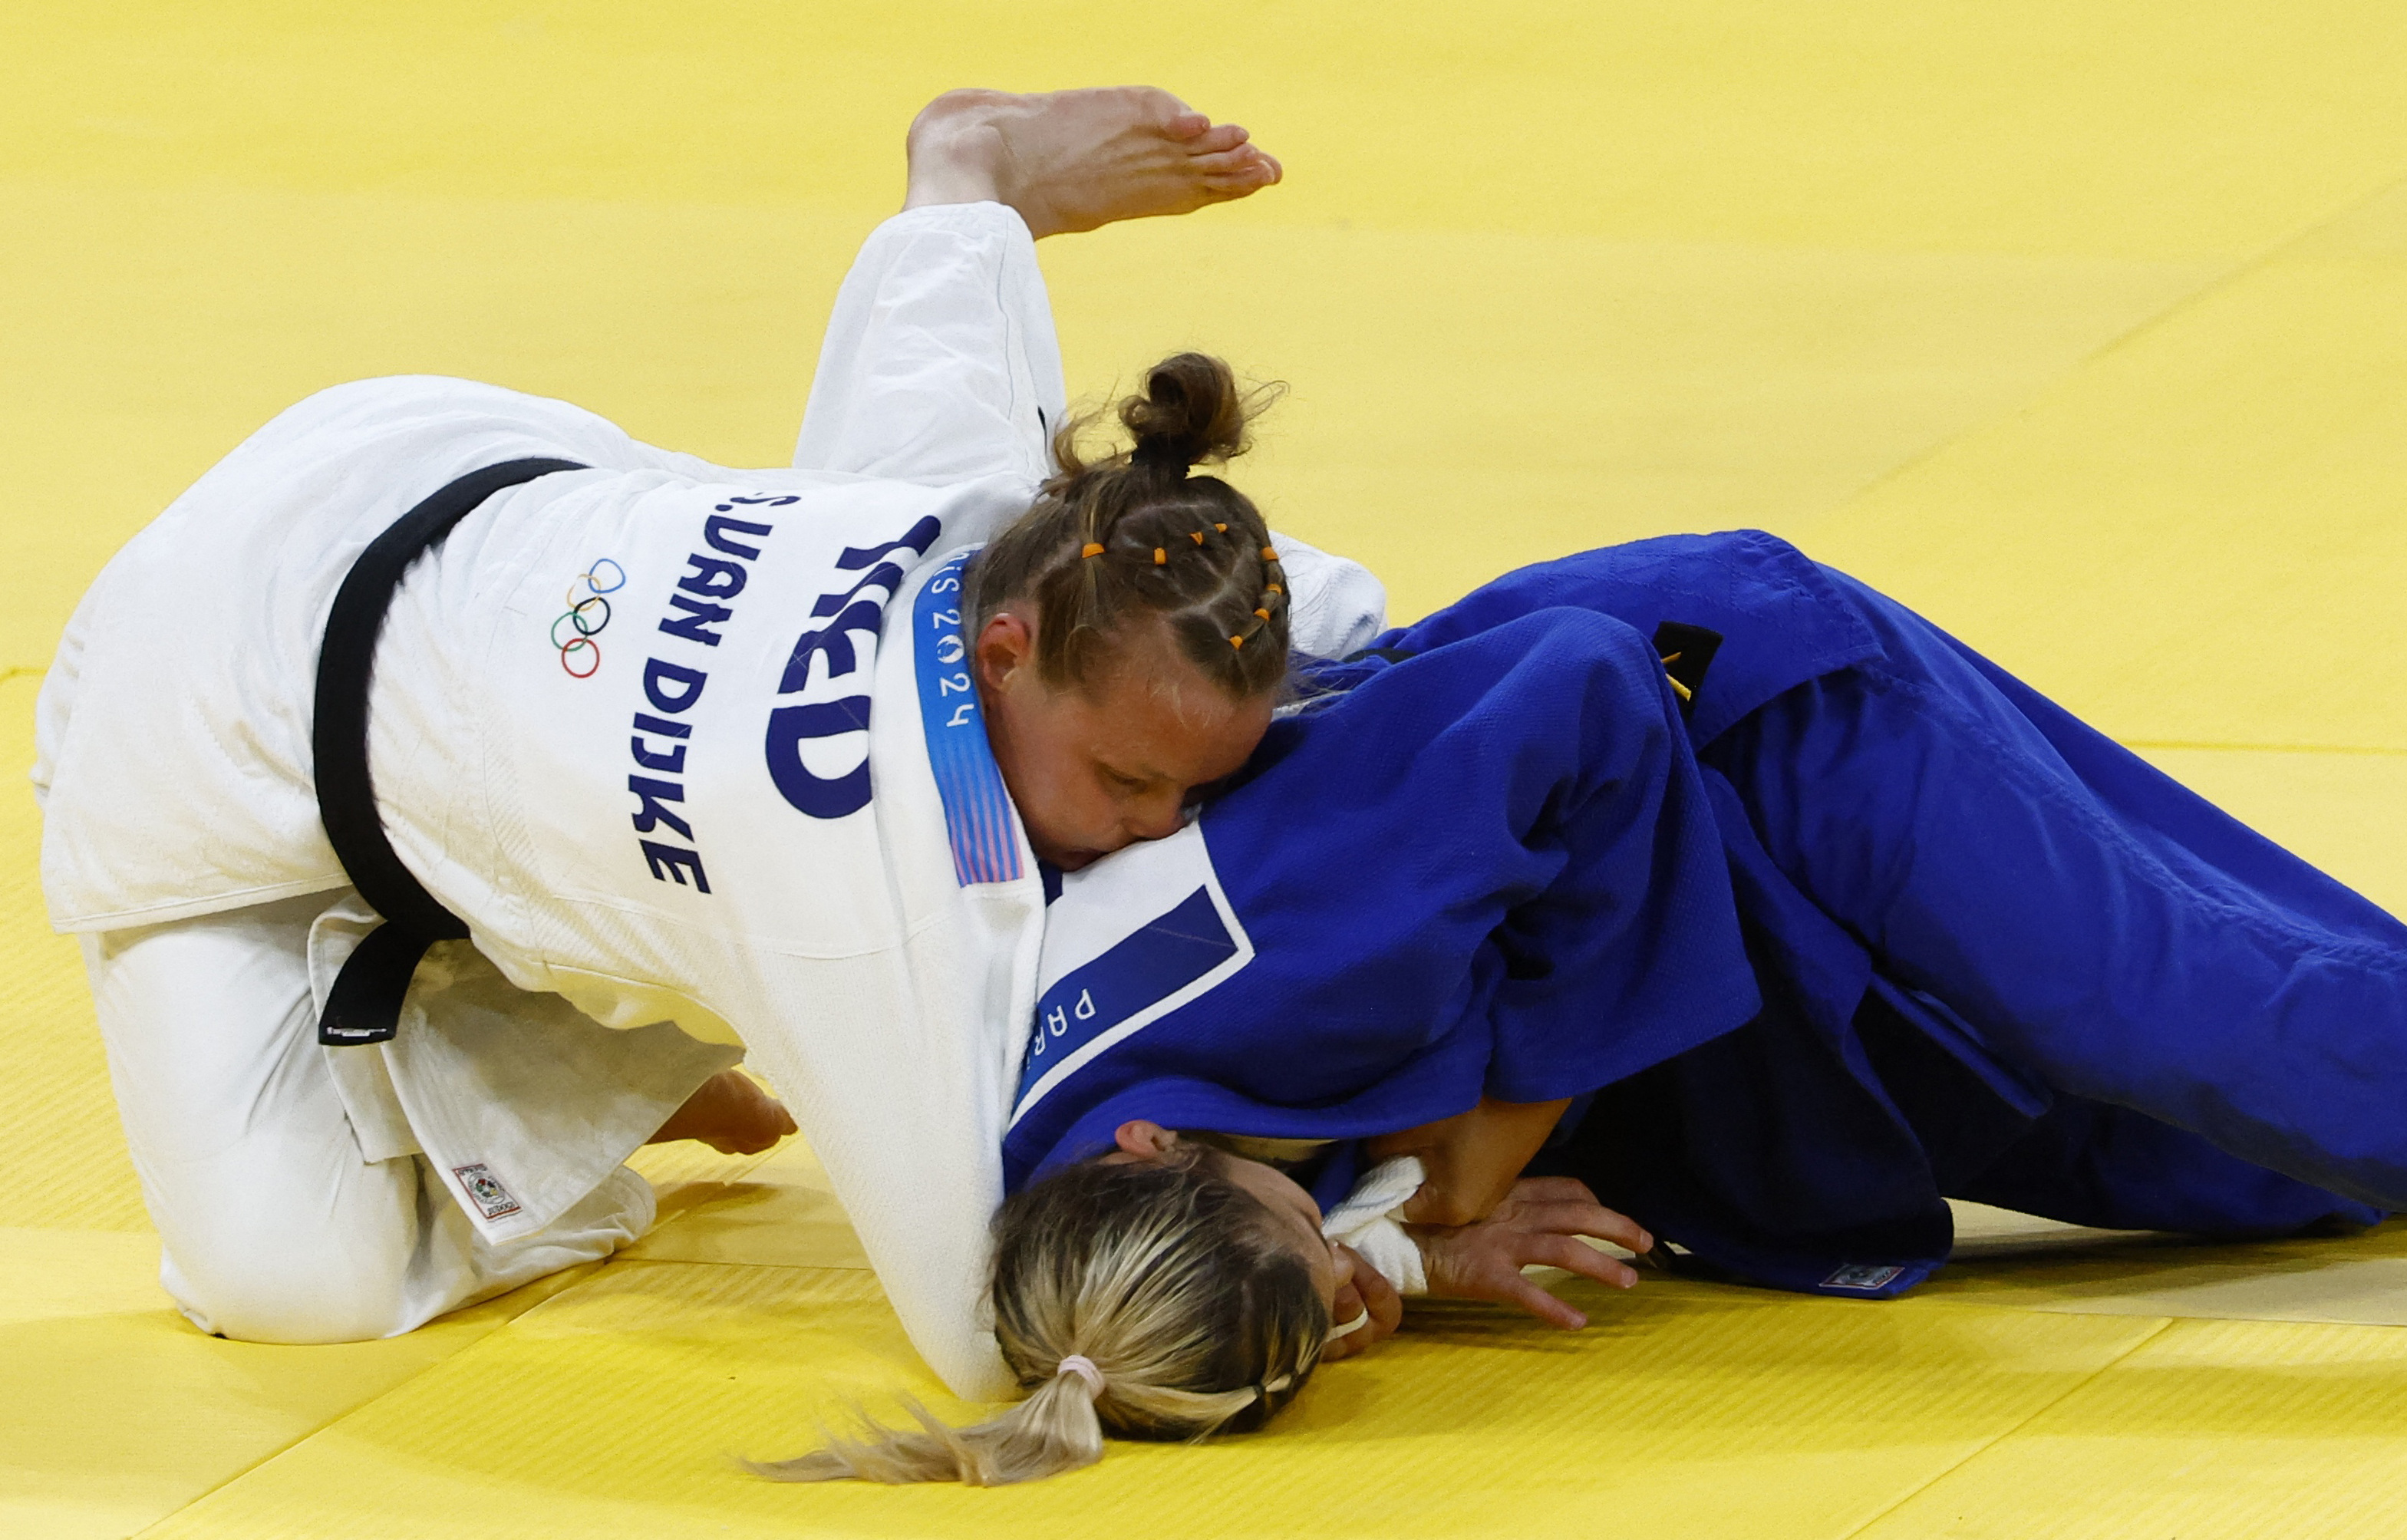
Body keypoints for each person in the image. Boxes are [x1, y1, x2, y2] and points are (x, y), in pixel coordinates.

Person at [35, 86, 1383, 1397]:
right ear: (1005, 655)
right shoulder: (869, 905)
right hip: (210, 692)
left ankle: (969, 178)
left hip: (424, 454)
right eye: (1128, 779)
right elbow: (988, 1325)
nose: (1155, 823)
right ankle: (573, 1120)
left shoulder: (993, 534)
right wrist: (1364, 1243)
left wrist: (963, 212)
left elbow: (1319, 611)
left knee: (873, 491)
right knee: (289, 1285)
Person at [777, 526, 2407, 1484]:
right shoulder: (1076, 1212)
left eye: (1318, 1262)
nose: (1363, 1306)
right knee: (2250, 1171)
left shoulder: (1287, 957)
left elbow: (1579, 682)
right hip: (1710, 937)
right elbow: (1273, 1218)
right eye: (1340, 1333)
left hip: (1739, 712)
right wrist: (1396, 1236)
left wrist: (1472, 1160)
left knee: (2200, 1027)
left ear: (1155, 1144)